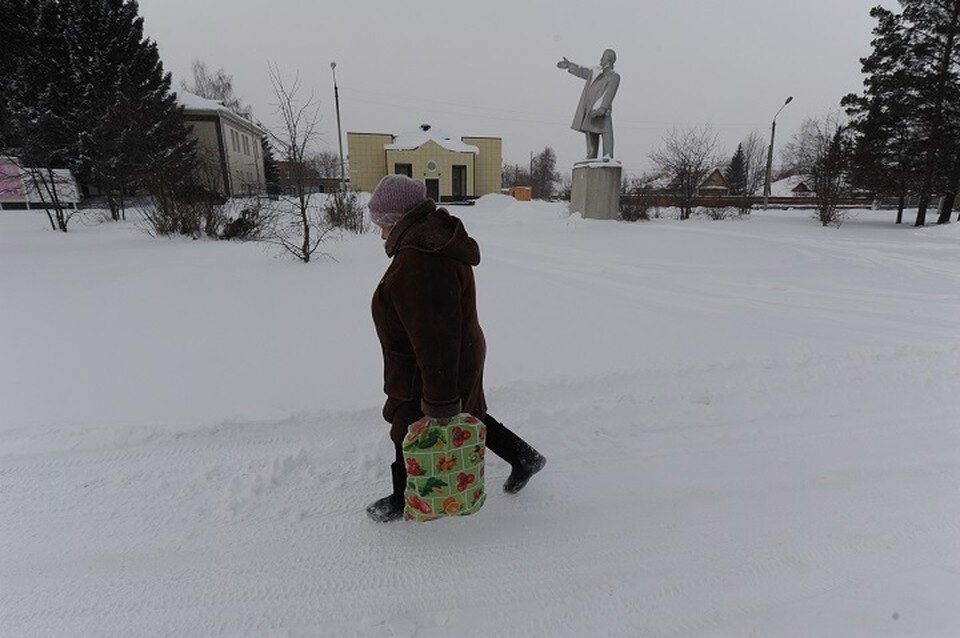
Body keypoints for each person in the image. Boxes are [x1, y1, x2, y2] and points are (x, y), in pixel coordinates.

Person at [366, 174, 546, 523]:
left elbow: (433, 337)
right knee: (468, 413)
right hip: (459, 350)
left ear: (400, 220)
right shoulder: (432, 240)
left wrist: (438, 402)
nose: (381, 234)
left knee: (409, 422)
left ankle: (404, 497)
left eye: (384, 225)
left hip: (429, 364)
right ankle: (524, 457)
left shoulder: (421, 260)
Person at [557, 48, 621, 159]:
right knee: (591, 134)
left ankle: (608, 157)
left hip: (602, 111)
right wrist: (569, 65)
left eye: (604, 56)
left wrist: (602, 108)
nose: (601, 58)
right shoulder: (594, 72)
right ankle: (591, 157)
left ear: (609, 60)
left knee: (606, 134)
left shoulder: (613, 76)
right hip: (590, 110)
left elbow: (610, 93)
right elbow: (581, 70)